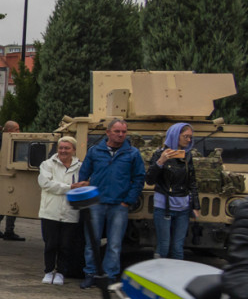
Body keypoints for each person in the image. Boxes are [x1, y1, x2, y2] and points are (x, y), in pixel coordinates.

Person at [78, 118, 146, 288]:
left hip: (119, 205)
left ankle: (109, 276)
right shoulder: (95, 151)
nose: (121, 135)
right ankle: (90, 273)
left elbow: (139, 179)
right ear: (108, 132)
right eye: (117, 131)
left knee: (115, 244)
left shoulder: (132, 153)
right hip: (96, 203)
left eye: (124, 131)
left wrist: (128, 201)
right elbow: (83, 175)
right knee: (91, 242)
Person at [146, 122, 199, 260]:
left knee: (178, 247)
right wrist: (161, 161)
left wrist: (196, 205)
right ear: (176, 136)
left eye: (190, 137)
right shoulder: (159, 153)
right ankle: (158, 277)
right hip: (164, 206)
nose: (189, 140)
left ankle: (175, 278)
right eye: (186, 136)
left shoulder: (187, 156)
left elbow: (192, 181)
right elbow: (150, 180)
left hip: (183, 208)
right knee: (163, 246)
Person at [37, 136, 83, 285]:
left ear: (74, 150)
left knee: (65, 245)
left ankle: (61, 272)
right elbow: (46, 183)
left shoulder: (80, 166)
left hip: (70, 211)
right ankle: (48, 270)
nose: (63, 151)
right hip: (51, 210)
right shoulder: (47, 164)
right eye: (61, 148)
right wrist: (69, 188)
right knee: (50, 244)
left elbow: (84, 184)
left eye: (67, 148)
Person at [0, 120, 24, 240]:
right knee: (9, 203)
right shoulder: (6, 141)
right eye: (17, 129)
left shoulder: (1, 140)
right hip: (7, 176)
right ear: (9, 130)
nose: (19, 132)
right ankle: (7, 230)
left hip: (3, 175)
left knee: (6, 202)